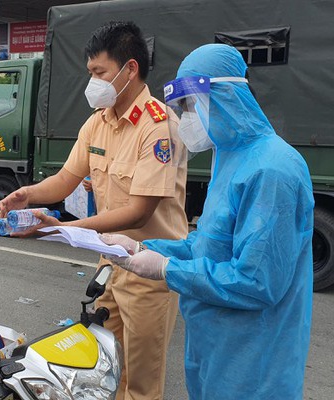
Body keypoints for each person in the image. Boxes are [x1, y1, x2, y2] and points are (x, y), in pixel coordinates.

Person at [102, 44, 314, 400]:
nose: (186, 118)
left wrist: (168, 270)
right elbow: (208, 246)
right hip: (214, 350)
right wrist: (142, 247)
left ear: (225, 95)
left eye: (190, 105)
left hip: (253, 365)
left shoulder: (273, 170)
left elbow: (257, 282)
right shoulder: (228, 157)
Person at [0, 21, 188, 399]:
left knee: (140, 385)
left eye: (99, 72)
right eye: (90, 73)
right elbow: (67, 177)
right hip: (110, 267)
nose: (92, 82)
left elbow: (138, 213)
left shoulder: (158, 126)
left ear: (129, 69)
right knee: (101, 371)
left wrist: (66, 229)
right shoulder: (97, 122)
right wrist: (30, 195)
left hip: (149, 270)